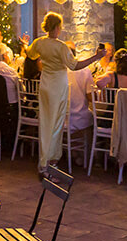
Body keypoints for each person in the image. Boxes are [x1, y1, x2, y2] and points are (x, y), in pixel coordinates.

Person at [24, 12, 103, 174]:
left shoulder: (39, 43)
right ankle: (49, 163)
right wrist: (96, 57)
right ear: (58, 27)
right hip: (58, 87)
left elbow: (29, 53)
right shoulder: (61, 47)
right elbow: (75, 66)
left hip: (45, 85)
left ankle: (45, 161)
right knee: (56, 125)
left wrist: (24, 44)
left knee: (46, 123)